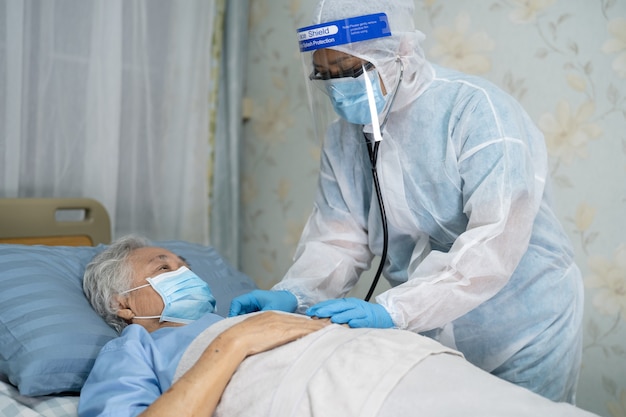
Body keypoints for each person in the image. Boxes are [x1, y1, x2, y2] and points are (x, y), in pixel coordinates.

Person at [228, 0, 584, 404]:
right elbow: (338, 238)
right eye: (326, 77)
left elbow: (494, 241)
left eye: (350, 72)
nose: (340, 91)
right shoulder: (344, 138)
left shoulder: (477, 112)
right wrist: (297, 293)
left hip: (522, 328)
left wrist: (396, 310)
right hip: (428, 327)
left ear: (400, 53)